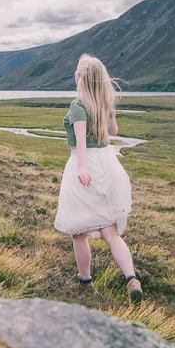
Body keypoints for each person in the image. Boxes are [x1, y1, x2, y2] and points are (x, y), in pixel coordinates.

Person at [54, 54, 141, 302]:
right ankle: (131, 278)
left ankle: (85, 278)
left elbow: (81, 141)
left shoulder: (78, 106)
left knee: (79, 231)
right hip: (108, 163)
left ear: (80, 78)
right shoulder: (102, 104)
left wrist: (82, 168)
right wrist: (109, 110)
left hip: (87, 164)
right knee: (110, 231)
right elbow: (114, 132)